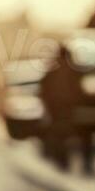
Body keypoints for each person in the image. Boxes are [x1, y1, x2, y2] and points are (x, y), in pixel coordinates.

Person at [37, 43, 87, 173]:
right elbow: (79, 88)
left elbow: (43, 88)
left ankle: (60, 159)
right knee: (66, 133)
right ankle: (64, 161)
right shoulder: (73, 69)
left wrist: (46, 104)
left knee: (58, 133)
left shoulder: (52, 69)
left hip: (55, 106)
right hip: (68, 106)